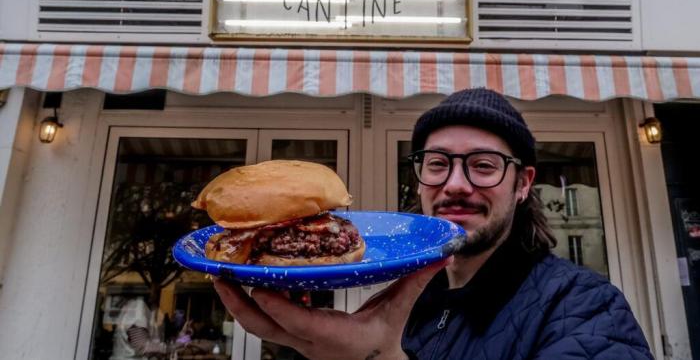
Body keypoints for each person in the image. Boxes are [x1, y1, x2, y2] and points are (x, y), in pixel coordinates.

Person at [213, 88, 653, 360]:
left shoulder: (588, 310)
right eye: (438, 164)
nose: (455, 185)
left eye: (483, 166)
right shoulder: (409, 301)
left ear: (523, 184)